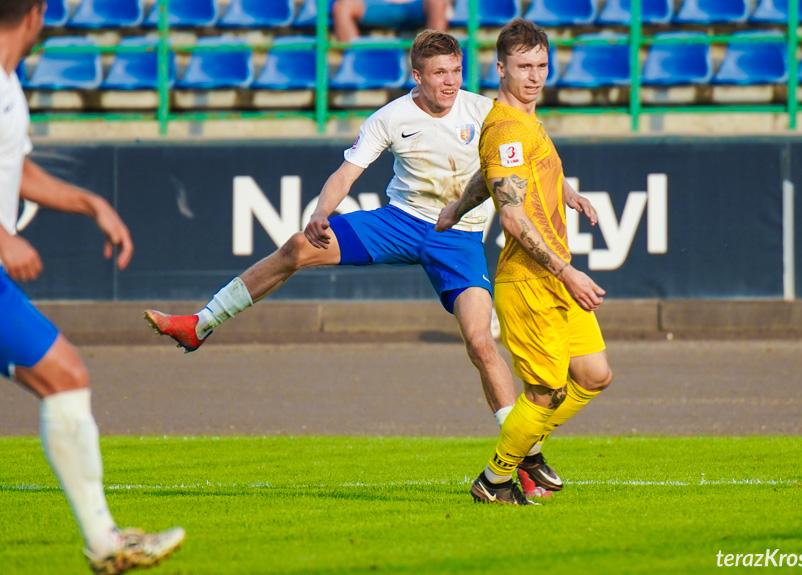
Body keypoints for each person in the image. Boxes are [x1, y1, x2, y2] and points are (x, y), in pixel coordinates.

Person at [145, 31, 564, 492]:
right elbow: (347, 172)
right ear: (417, 76)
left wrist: (570, 192)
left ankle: (522, 456)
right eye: (440, 73)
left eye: (456, 71)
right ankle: (200, 323)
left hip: (457, 236)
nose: (450, 82)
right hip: (400, 222)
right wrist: (321, 213)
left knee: (481, 342)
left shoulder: (484, 111)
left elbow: (524, 162)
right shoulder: (390, 117)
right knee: (296, 248)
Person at [0, 1, 185, 571]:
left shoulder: (9, 82)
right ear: (34, 14)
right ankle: (105, 544)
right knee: (66, 376)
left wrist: (91, 203)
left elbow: (16, 169)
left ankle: (106, 543)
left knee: (65, 377)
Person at [436, 19, 613, 505]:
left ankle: (526, 445)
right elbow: (512, 217)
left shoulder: (524, 122)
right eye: (523, 66)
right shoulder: (508, 127)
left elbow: (501, 178)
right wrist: (567, 271)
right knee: (544, 392)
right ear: (500, 69)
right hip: (534, 279)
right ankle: (495, 480)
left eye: (541, 65)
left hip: (553, 276)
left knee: (594, 375)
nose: (534, 76)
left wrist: (564, 191)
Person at [333, 0, 448, 43]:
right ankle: (351, 60)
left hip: (416, 6)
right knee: (342, 6)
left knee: (437, 3)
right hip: (376, 5)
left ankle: (434, 55)